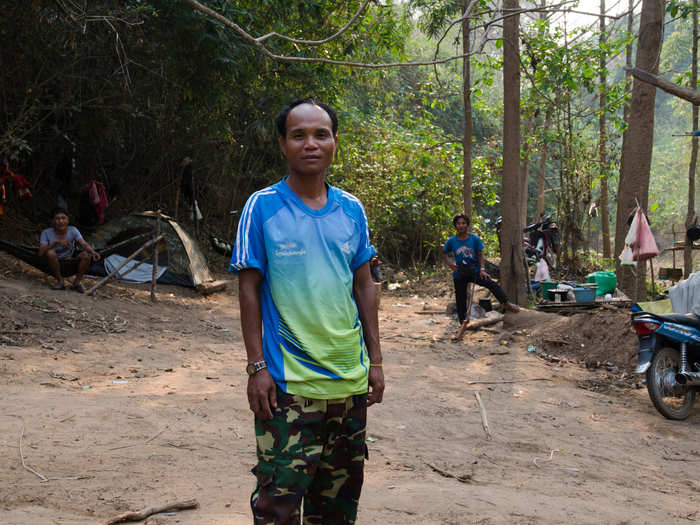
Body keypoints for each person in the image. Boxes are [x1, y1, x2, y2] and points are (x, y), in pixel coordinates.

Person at [229, 98, 384, 524]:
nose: (310, 144)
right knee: (276, 508)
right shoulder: (262, 207)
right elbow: (248, 290)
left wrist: (376, 360)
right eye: (299, 135)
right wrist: (256, 366)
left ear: (334, 142)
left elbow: (364, 285)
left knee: (337, 509)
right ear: (283, 144)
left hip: (349, 386)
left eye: (321, 134)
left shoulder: (351, 210)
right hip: (288, 388)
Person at [442, 214, 519, 323]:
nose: (461, 225)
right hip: (460, 273)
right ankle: (462, 322)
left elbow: (480, 255)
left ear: (467, 225)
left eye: (463, 223)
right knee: (460, 299)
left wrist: (482, 269)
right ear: (455, 225)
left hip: (475, 271)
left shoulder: (474, 239)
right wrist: (451, 265)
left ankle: (506, 303)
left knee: (492, 284)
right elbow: (444, 253)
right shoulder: (452, 240)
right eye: (458, 223)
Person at [38, 207, 100, 292]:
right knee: (50, 253)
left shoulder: (73, 230)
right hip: (51, 261)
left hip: (69, 259)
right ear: (52, 221)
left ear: (68, 220)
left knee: (87, 255)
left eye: (63, 218)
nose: (60, 221)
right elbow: (40, 253)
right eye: (57, 219)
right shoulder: (46, 232)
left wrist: (93, 252)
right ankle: (60, 281)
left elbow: (83, 244)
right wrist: (55, 243)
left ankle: (76, 283)